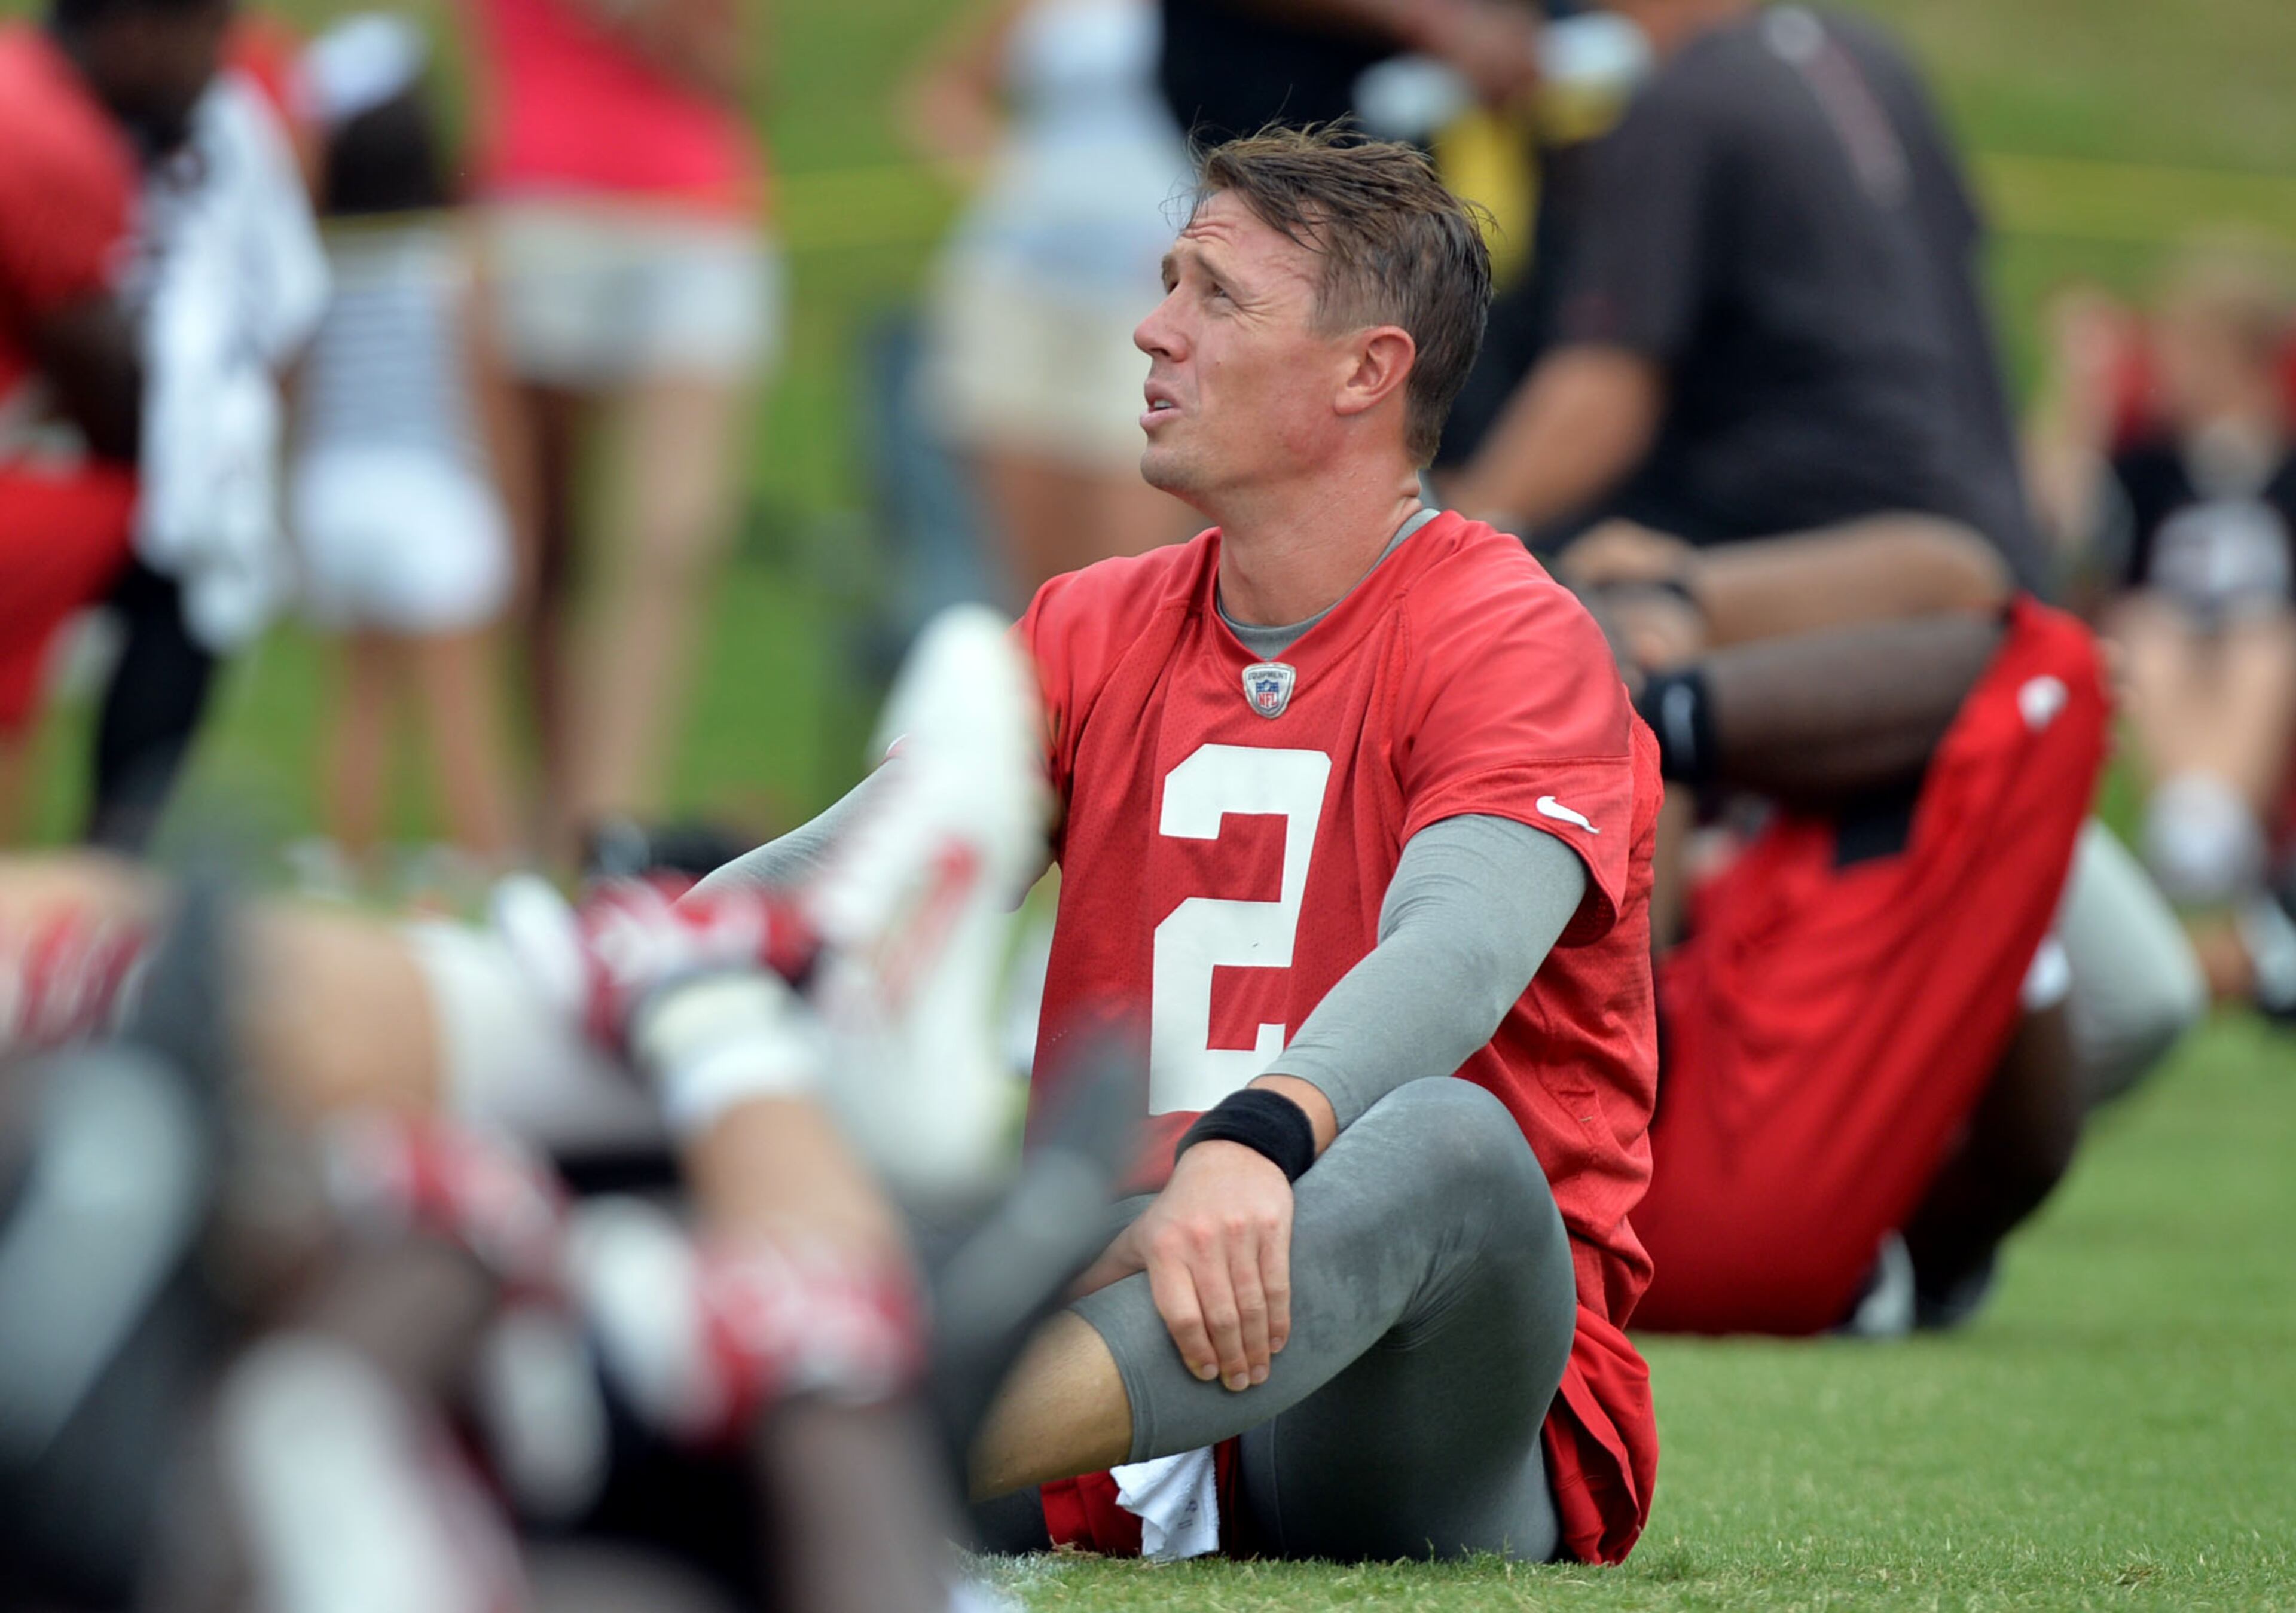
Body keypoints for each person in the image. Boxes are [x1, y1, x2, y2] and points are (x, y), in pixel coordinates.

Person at [711, 127, 1663, 1567]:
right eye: (1167, 284)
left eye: (1214, 296)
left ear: (1365, 371)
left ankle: (888, 1445)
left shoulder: (1508, 629)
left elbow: (1458, 946)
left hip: (1391, 1392)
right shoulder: (1092, 624)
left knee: (1452, 1142)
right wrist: (622, 971)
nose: (1151, 329)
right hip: (1111, 1343)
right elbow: (852, 881)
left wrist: (1258, 1137)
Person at [1444, 0, 2047, 594]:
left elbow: (1607, 389)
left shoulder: (1681, 102)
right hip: (1996, 543)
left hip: (1827, 557)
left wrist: (1450, 540)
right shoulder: (1875, 58)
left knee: (1591, 578)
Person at [462, 0, 780, 864]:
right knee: (534, 545)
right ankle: (537, 808)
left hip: (692, 212)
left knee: (669, 539)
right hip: (539, 204)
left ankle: (609, 821)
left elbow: (736, 67)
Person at [289, 14, 526, 887]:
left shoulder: (316, 262)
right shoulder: (451, 262)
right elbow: (487, 398)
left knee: (360, 700)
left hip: (332, 494)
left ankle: (349, 863)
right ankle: (493, 866)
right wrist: (516, 509)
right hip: (432, 494)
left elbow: (296, 394)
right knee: (463, 705)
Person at [0, 0, 222, 842]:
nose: (216, 67)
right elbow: (120, 405)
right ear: (136, 29)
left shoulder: (16, 82)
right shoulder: (56, 136)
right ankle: (112, 869)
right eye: (207, 34)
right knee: (193, 545)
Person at [904, 0, 1198, 598]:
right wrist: (1012, 185)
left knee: (1138, 572)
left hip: (1158, 302)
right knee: (1036, 585)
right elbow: (943, 92)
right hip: (1020, 284)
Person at [2087, 260, 2296, 1011]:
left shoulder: (2285, 464)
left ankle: (2209, 836)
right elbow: (2069, 535)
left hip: (2269, 656)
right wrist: (2081, 400)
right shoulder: (2151, 466)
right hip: (2166, 651)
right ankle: (2198, 831)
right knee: (2153, 634)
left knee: (2263, 645)